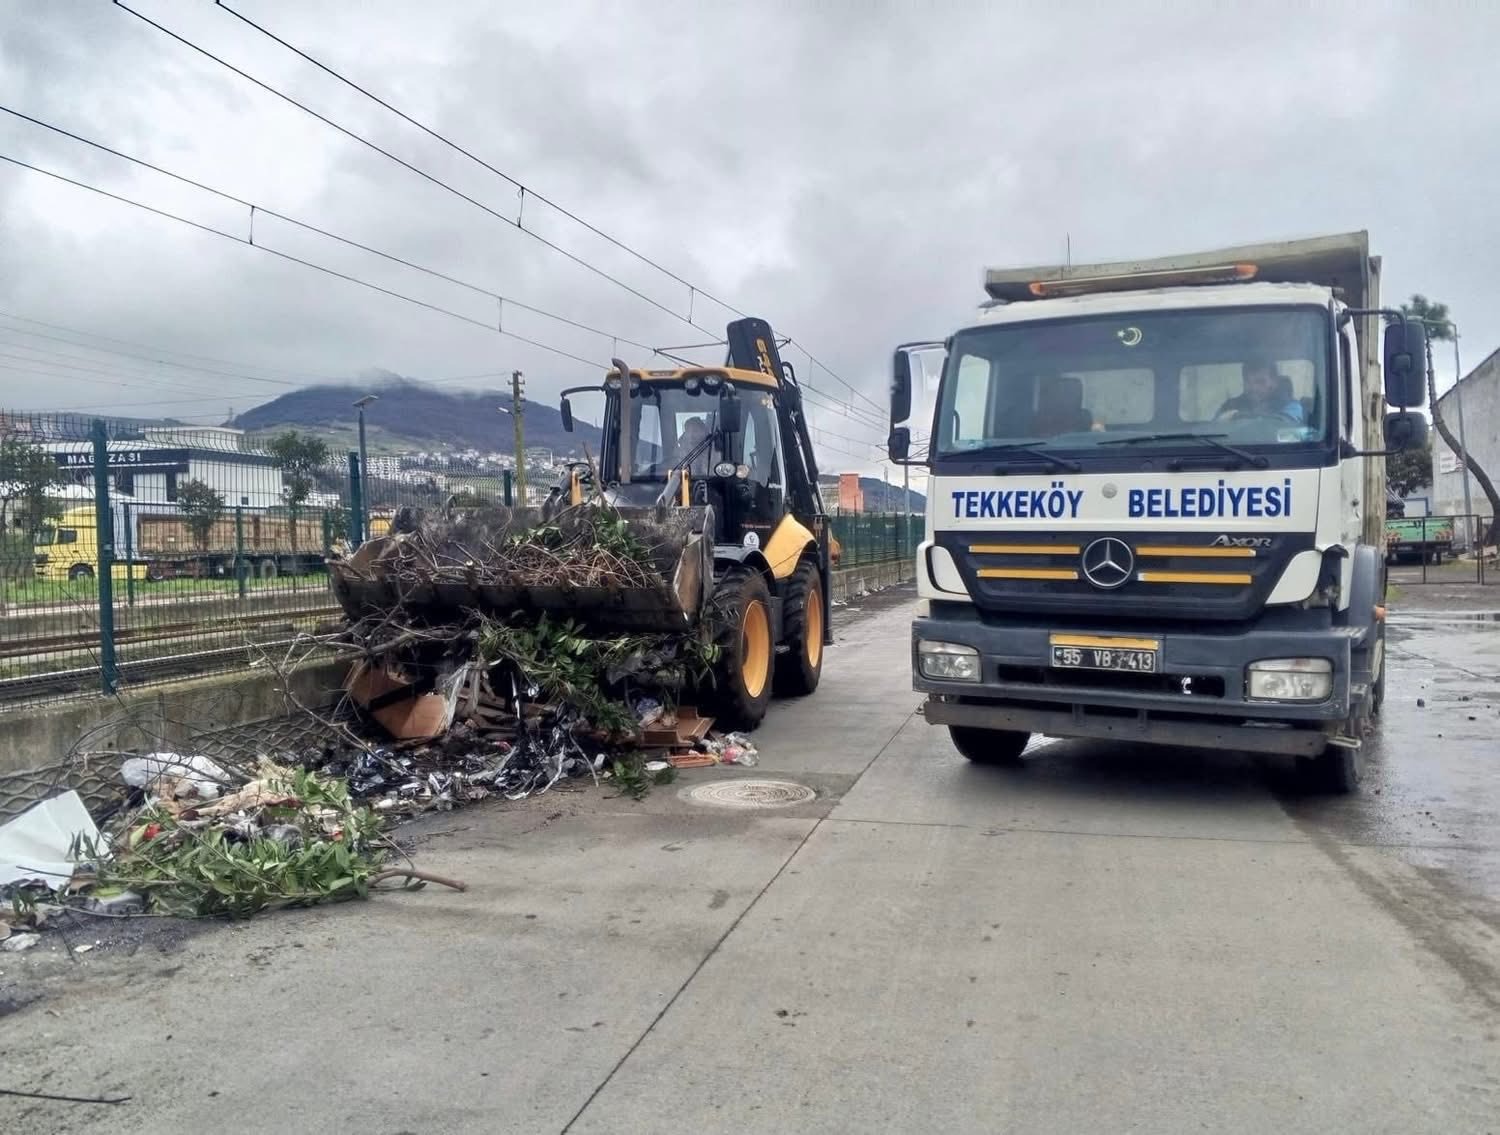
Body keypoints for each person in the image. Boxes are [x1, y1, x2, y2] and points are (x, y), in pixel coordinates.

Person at [1216, 359, 1305, 422]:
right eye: (1248, 381)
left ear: (1274, 382)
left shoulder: (1292, 406)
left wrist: (1237, 417)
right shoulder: (1229, 406)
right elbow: (1213, 430)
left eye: (1260, 382)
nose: (1253, 388)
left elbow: (1283, 424)